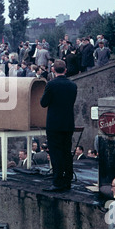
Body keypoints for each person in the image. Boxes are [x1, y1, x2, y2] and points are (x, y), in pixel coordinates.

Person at [40, 59, 77, 192]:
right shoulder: (73, 85)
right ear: (65, 70)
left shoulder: (51, 85)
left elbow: (43, 103)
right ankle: (67, 181)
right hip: (68, 123)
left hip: (54, 124)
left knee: (56, 153)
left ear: (53, 70)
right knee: (67, 152)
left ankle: (57, 182)